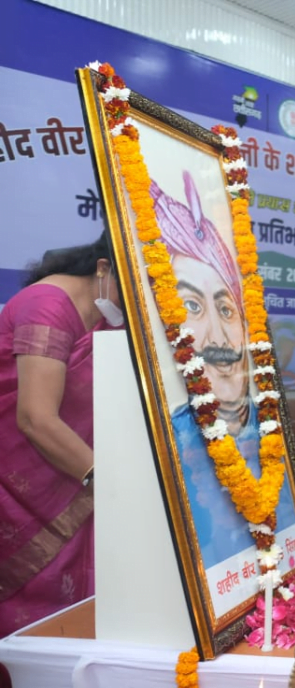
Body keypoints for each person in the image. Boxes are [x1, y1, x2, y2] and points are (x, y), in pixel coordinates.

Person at [151, 172, 295, 570]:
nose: (217, 336)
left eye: (226, 308)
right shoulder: (173, 437)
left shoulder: (270, 426)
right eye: (192, 307)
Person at [0, 234, 123, 636]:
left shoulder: (109, 315)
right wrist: (111, 485)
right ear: (103, 269)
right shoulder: (47, 306)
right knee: (29, 612)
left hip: (77, 474)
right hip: (22, 479)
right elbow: (36, 419)